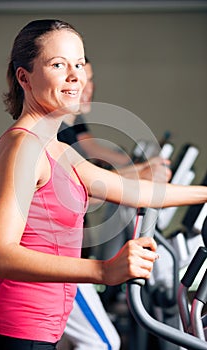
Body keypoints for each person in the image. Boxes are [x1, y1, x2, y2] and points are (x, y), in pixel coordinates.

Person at [0, 19, 206, 350]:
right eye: (58, 64)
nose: (75, 76)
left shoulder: (57, 149)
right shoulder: (23, 146)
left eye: (79, 64)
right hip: (17, 333)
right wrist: (103, 270)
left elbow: (138, 191)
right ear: (23, 77)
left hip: (39, 333)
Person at [57, 59, 172, 350]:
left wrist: (135, 167)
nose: (87, 87)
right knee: (103, 343)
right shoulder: (54, 133)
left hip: (72, 257)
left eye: (89, 78)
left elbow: (93, 149)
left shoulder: (70, 124)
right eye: (77, 78)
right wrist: (136, 172)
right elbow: (81, 192)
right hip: (61, 263)